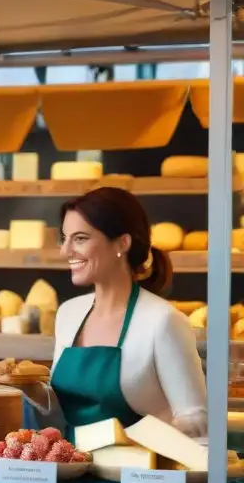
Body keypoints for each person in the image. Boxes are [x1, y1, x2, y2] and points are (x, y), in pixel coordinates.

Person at [27, 187, 206, 438]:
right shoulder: (68, 314)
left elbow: (196, 420)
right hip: (73, 467)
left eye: (80, 238)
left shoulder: (162, 321)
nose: (65, 251)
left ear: (122, 243)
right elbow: (67, 408)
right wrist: (26, 388)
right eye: (64, 238)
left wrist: (133, 441)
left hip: (139, 473)